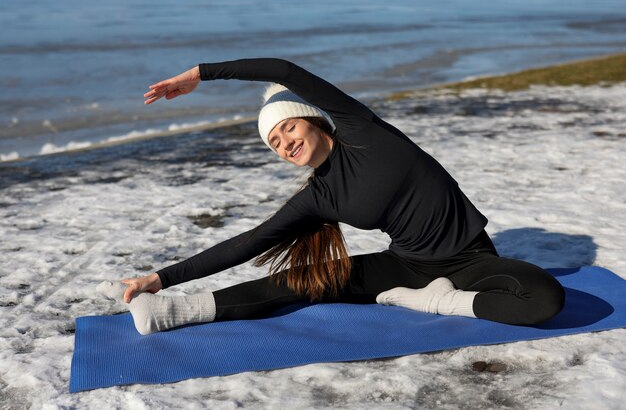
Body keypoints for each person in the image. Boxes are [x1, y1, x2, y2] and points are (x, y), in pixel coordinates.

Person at [97, 58, 565, 335]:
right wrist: (161, 279)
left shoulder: (365, 131)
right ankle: (171, 313)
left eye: (289, 128)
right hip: (406, 265)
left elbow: (283, 70)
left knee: (544, 298)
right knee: (302, 281)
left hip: (472, 260)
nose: (285, 143)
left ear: (314, 121)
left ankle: (434, 301)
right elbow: (247, 243)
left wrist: (200, 74)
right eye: (275, 143)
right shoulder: (318, 196)